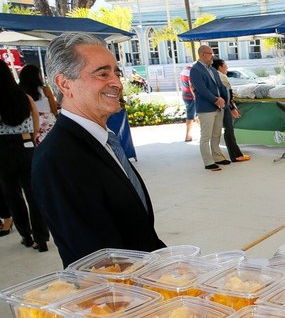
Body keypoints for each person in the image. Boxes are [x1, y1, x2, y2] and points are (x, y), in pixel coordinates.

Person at [32, 33, 165, 267]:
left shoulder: (102, 140)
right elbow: (96, 258)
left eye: (116, 72)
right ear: (65, 84)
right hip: (118, 295)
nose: (117, 82)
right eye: (103, 74)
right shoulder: (58, 157)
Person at [0, 61, 49, 252]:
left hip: (3, 150)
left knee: (12, 194)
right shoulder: (25, 98)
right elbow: (36, 126)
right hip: (27, 145)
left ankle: (26, 235)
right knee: (34, 193)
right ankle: (41, 238)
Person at [189, 45, 229, 171]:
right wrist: (216, 100)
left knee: (216, 134)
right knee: (206, 136)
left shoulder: (212, 69)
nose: (213, 56)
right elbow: (202, 90)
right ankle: (208, 161)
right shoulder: (195, 70)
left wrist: (224, 101)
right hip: (206, 108)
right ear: (203, 54)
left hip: (218, 107)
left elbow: (220, 86)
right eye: (211, 53)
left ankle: (217, 157)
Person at [212, 59, 250, 162]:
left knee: (223, 131)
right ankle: (236, 155)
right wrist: (232, 108)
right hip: (224, 106)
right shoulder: (221, 77)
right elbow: (227, 94)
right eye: (225, 65)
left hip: (220, 106)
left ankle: (234, 155)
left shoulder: (214, 75)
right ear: (220, 67)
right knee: (229, 130)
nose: (227, 68)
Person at [18, 64, 58, 145]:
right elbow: (54, 110)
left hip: (31, 125)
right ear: (37, 76)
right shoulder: (45, 90)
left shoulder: (20, 94)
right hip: (49, 124)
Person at [180, 64, 196, 142]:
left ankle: (204, 133)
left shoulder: (184, 70)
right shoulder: (191, 71)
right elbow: (191, 85)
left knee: (196, 115)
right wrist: (195, 96)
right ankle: (187, 135)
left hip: (185, 94)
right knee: (191, 116)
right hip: (191, 96)